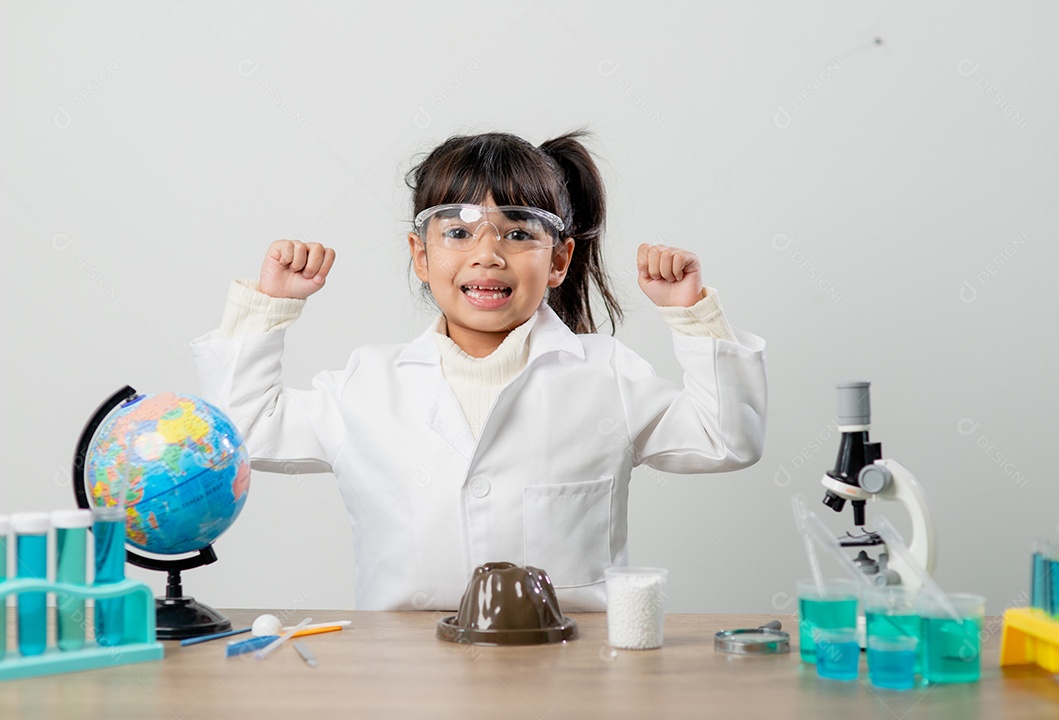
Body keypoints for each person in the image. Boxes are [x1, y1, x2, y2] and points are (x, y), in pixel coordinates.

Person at [191, 131, 767, 612]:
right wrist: (271, 306)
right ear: (421, 255)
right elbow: (241, 429)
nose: (488, 254)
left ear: (560, 259)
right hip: (404, 678)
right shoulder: (368, 385)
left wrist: (691, 316)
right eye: (458, 231)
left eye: (518, 233)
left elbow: (727, 439)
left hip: (570, 671)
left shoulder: (605, 376)